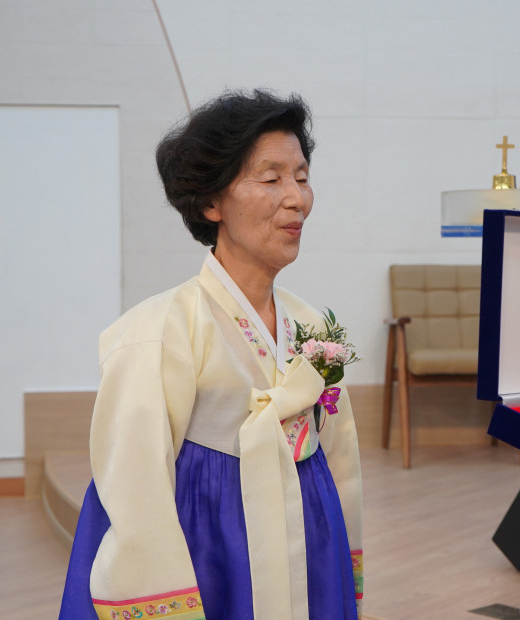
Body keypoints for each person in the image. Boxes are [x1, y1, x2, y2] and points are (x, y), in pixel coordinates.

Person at [58, 90, 363, 620]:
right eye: (271, 179)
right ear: (210, 203)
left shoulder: (312, 327)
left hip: (310, 543)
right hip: (214, 554)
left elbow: (340, 460)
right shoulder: (159, 333)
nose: (297, 198)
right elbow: (135, 492)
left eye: (302, 176)